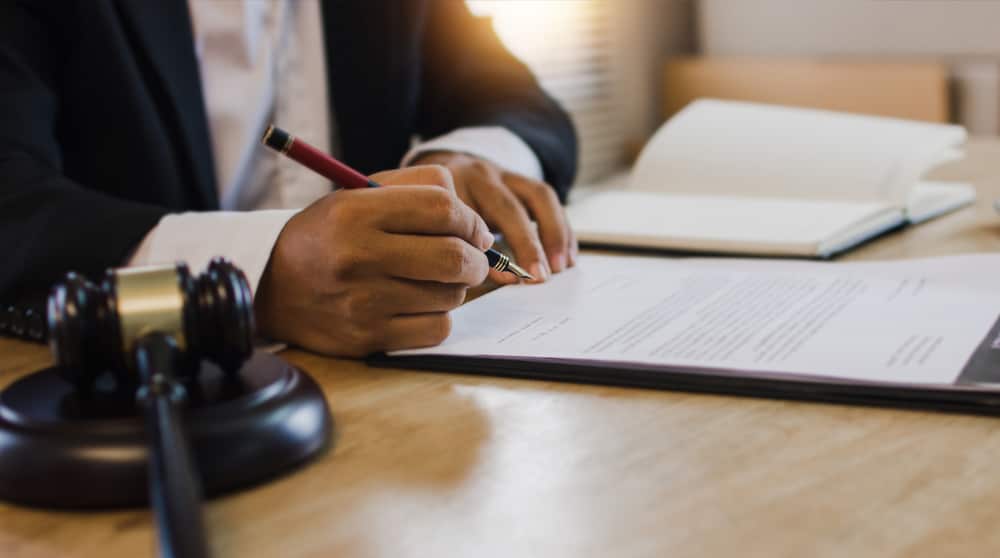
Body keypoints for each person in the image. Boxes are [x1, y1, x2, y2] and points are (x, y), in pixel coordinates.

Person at [0, 0, 578, 356]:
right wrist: (256, 280)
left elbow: (516, 98)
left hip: (381, 405)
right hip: (139, 407)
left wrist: (466, 156)